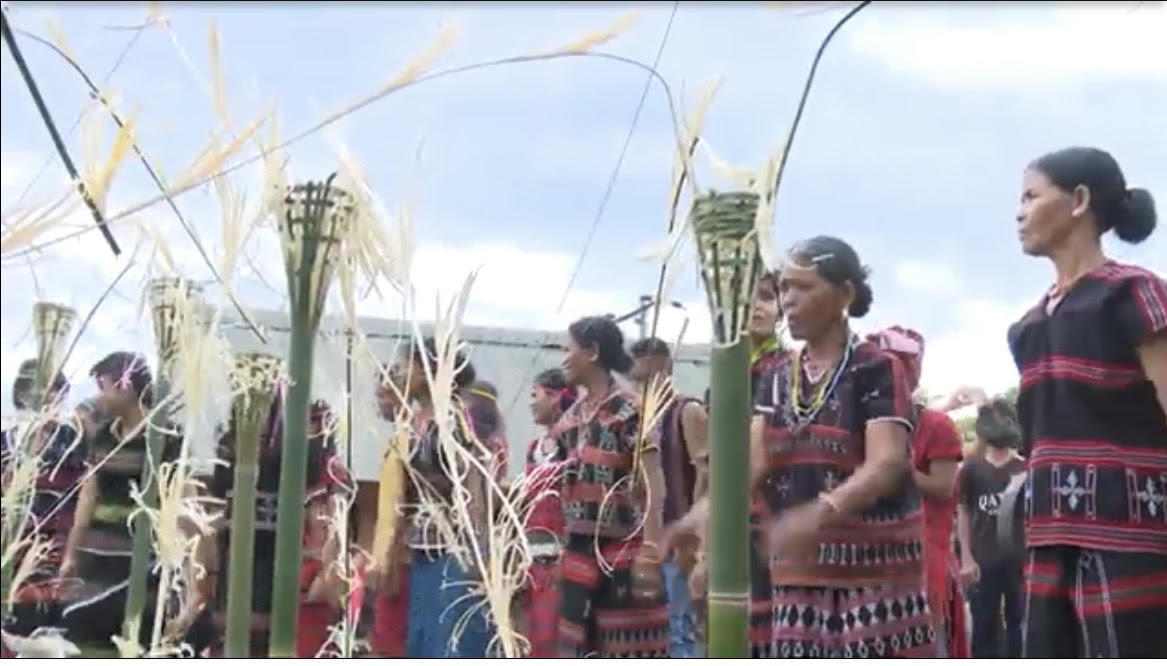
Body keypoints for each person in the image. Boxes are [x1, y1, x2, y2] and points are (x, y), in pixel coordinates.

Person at [668, 236, 937, 658]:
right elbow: (755, 462)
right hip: (799, 572)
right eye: (784, 289)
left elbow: (887, 462)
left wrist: (820, 512)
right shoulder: (777, 375)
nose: (788, 300)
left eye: (803, 287)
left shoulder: (876, 367)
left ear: (844, 294)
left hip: (875, 575)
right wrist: (703, 516)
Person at [1008, 146, 1167, 657]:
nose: (1019, 211)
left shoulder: (1134, 294)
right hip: (1049, 534)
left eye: (1031, 196)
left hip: (1132, 538)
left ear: (1078, 200)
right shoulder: (1028, 327)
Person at [191, 395, 351, 657]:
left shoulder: (302, 458)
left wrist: (324, 568)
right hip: (234, 566)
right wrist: (206, 574)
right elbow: (214, 519)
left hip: (283, 568)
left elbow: (325, 522)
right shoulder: (228, 455)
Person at [555, 316, 668, 658]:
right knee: (576, 648)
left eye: (568, 349)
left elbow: (652, 483)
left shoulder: (630, 410)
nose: (563, 358)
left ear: (591, 353)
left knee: (626, 647)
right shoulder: (569, 419)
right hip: (576, 549)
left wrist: (650, 551)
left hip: (623, 549)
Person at [59, 352, 180, 650]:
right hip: (97, 555)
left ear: (126, 387)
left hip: (142, 556)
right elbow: (89, 495)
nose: (100, 397)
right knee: (86, 634)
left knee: (137, 634)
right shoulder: (103, 436)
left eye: (104, 387)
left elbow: (178, 499)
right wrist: (72, 554)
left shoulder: (165, 436)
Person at [386, 337, 492, 658]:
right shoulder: (414, 423)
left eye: (406, 367)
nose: (400, 375)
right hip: (423, 549)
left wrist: (477, 547)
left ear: (426, 369)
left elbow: (474, 483)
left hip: (454, 550)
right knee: (424, 638)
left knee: (451, 641)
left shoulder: (454, 420)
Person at [867, 327, 968, 658]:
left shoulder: (936, 426)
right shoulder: (862, 425)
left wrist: (893, 466)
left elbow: (943, 486)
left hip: (924, 566)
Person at [628, 337, 708, 658]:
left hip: (681, 540)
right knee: (664, 630)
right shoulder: (644, 420)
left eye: (638, 369)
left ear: (658, 364)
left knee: (682, 630)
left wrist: (693, 535)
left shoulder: (686, 411)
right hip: (652, 542)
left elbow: (707, 474)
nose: (633, 378)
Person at [0, 361, 84, 638]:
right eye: (50, 389)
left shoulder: (72, 443)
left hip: (55, 552)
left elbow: (83, 496)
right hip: (10, 549)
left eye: (60, 390)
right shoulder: (5, 444)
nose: (57, 397)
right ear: (25, 395)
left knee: (46, 634)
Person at [956, 399, 1026, 658]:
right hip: (982, 560)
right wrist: (965, 556)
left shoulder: (1024, 468)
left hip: (1018, 561)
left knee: (1019, 627)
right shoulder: (972, 470)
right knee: (984, 629)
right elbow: (963, 511)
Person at [517, 368, 576, 658]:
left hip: (560, 560)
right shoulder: (533, 449)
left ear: (555, 398)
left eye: (535, 395)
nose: (530, 402)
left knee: (550, 639)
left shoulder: (573, 447)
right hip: (532, 559)